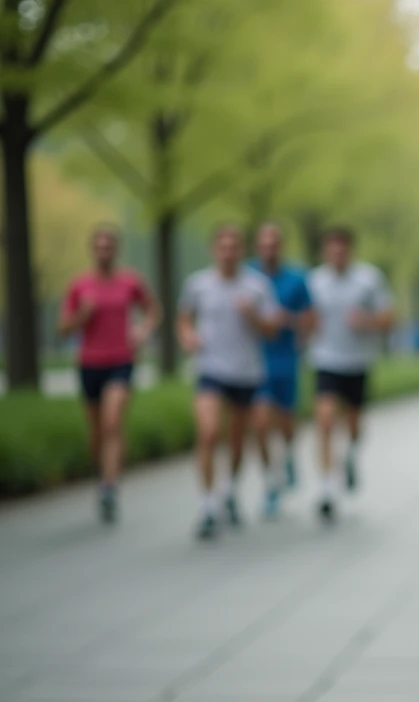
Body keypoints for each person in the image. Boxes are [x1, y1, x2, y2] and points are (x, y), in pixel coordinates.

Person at [177, 225, 281, 539]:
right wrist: (187, 336)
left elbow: (272, 330)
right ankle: (207, 506)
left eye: (234, 246)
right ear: (214, 250)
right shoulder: (198, 284)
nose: (228, 252)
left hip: (246, 373)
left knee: (237, 443)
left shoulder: (257, 286)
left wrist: (252, 315)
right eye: (222, 246)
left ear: (242, 250)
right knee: (208, 433)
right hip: (210, 369)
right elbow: (184, 317)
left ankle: (228, 489)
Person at [57, 225, 161, 523]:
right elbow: (63, 328)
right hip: (90, 363)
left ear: (116, 249)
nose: (104, 251)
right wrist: (81, 316)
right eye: (99, 247)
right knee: (96, 433)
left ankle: (109, 487)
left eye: (109, 246)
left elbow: (153, 309)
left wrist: (142, 330)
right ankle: (102, 474)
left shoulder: (130, 282)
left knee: (112, 421)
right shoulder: (80, 285)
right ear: (93, 250)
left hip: (121, 360)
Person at [306, 226, 395, 521]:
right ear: (325, 252)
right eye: (332, 251)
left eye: (342, 250)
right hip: (325, 360)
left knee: (354, 426)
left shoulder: (369, 280)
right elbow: (306, 316)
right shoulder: (315, 281)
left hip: (357, 362)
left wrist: (367, 321)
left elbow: (389, 318)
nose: (337, 256)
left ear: (351, 251)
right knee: (326, 419)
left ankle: (352, 457)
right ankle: (327, 489)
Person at [247, 222, 314, 518]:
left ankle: (288, 456)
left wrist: (290, 321)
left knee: (286, 421)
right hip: (253, 361)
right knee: (260, 424)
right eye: (264, 244)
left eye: (274, 244)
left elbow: (311, 321)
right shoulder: (246, 276)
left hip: (285, 360)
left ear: (281, 246)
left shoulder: (297, 279)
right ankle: (271, 483)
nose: (269, 249)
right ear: (257, 247)